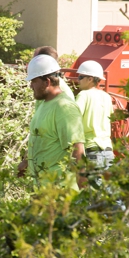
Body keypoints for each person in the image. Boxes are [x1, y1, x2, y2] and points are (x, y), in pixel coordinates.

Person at [17, 54, 85, 189]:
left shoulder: (64, 107)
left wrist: (85, 195)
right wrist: (26, 161)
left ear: (47, 82)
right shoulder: (44, 104)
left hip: (60, 191)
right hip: (44, 190)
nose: (31, 86)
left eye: (34, 81)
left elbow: (77, 151)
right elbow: (38, 136)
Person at [75, 60, 115, 173]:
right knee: (107, 189)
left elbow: (73, 119)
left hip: (92, 150)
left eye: (80, 77)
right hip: (108, 151)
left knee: (92, 189)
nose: (78, 81)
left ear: (90, 79)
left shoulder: (83, 95)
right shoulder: (106, 96)